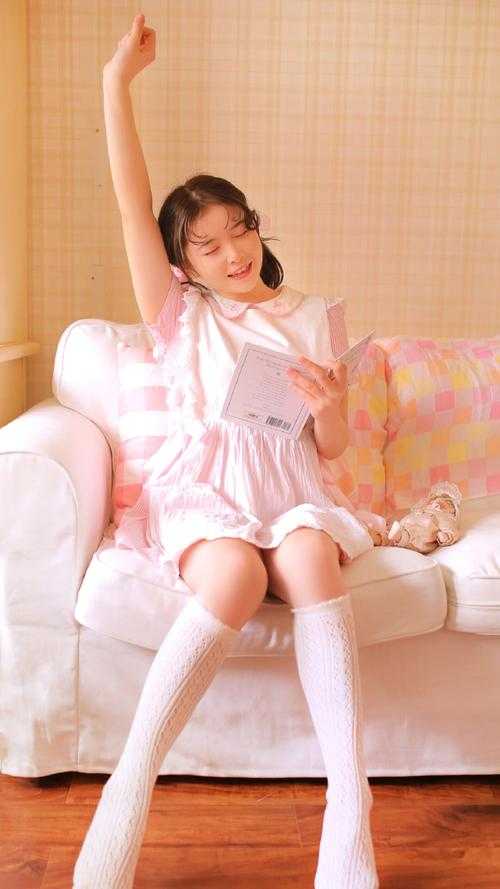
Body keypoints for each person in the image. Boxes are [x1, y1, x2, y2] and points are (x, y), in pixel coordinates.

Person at [73, 12, 380, 889]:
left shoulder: (313, 315)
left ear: (256, 228)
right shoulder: (183, 316)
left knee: (310, 557)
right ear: (186, 264)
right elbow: (132, 206)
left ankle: (349, 804)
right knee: (237, 575)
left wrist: (330, 407)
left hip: (293, 486)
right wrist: (116, 83)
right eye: (206, 245)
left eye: (239, 230)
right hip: (209, 489)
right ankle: (131, 785)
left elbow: (333, 447)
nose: (232, 252)